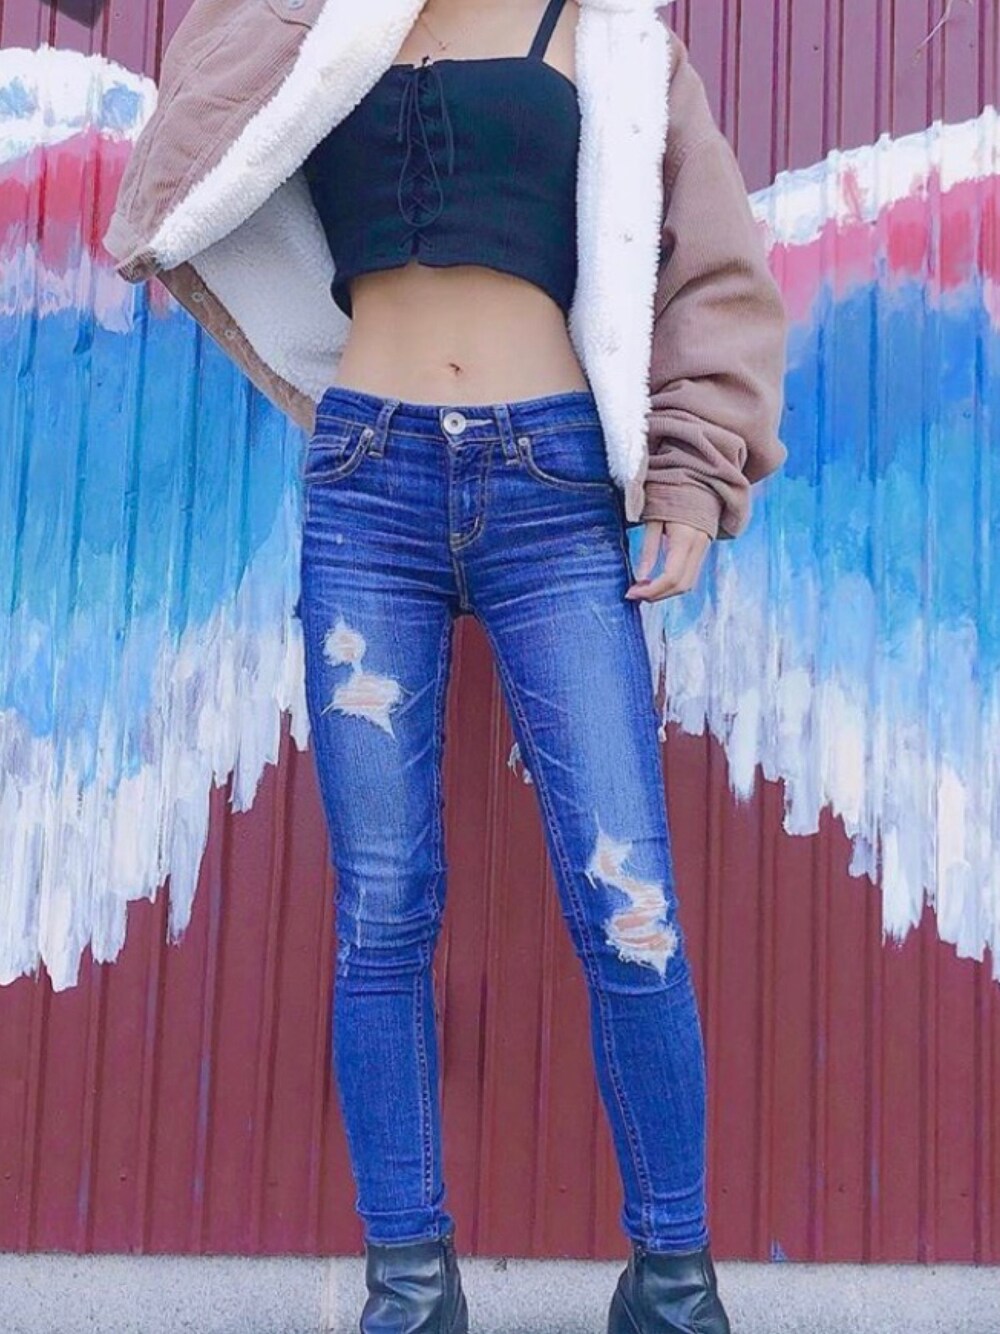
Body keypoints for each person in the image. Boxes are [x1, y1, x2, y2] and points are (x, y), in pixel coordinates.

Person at [103, 2, 789, 1330]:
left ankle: (674, 1286)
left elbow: (712, 263)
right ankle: (411, 1289)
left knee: (631, 903)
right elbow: (195, 111)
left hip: (553, 488)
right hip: (369, 480)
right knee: (383, 909)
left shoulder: (612, 33)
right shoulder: (318, 20)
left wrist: (695, 476)